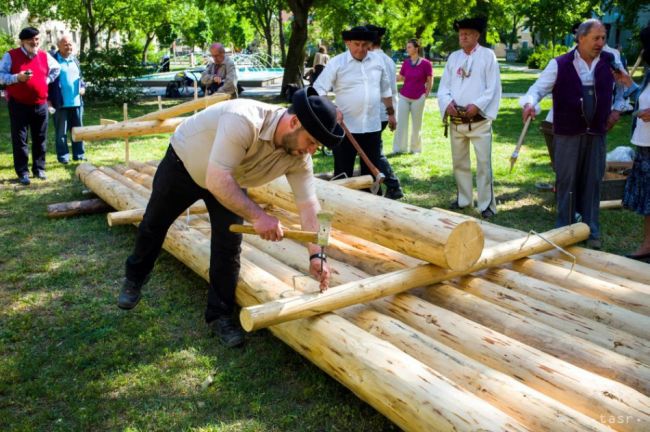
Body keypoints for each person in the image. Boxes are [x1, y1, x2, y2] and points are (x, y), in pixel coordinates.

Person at [117, 87, 344, 348]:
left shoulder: (299, 157)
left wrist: (317, 254)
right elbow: (216, 178)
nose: (312, 151)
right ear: (294, 122)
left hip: (229, 180)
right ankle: (134, 278)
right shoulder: (245, 119)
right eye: (312, 142)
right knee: (154, 224)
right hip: (185, 165)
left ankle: (220, 316)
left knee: (228, 247)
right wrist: (259, 217)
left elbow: (308, 204)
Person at [520, 19, 626, 249]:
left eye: (603, 38)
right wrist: (530, 104)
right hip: (568, 132)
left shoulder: (611, 62)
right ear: (581, 38)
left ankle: (591, 231)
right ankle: (564, 231)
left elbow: (625, 88)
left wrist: (617, 109)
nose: (601, 43)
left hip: (597, 131)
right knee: (567, 181)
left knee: (593, 182)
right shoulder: (560, 63)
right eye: (596, 38)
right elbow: (536, 90)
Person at [313, 26, 401, 198]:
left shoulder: (377, 61)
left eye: (364, 44)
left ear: (370, 44)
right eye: (356, 44)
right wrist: (332, 110)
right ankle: (341, 206)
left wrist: (391, 113)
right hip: (345, 128)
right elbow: (318, 89)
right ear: (348, 43)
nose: (360, 49)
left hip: (372, 126)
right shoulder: (337, 63)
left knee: (371, 172)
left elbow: (385, 90)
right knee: (343, 172)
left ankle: (369, 206)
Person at [437, 17, 501, 219]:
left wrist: (478, 105)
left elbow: (492, 87)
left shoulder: (488, 56)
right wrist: (447, 104)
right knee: (459, 162)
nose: (462, 36)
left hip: (479, 121)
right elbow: (444, 86)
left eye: (467, 33)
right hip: (457, 122)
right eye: (460, 33)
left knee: (484, 164)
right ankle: (464, 199)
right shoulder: (454, 57)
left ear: (477, 35)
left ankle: (486, 204)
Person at [0, 27, 60, 185]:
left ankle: (39, 169)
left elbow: (56, 68)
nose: (35, 43)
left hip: (40, 104)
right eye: (31, 41)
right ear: (22, 42)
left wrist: (45, 81)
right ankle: (23, 172)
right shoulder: (10, 55)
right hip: (18, 104)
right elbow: (1, 76)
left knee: (40, 138)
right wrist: (17, 78)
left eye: (37, 40)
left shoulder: (44, 55)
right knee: (20, 139)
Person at [620, 25, 650, 261]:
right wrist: (628, 84)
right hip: (644, 143)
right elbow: (643, 96)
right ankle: (648, 245)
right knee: (648, 201)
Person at [365, 24, 404, 199]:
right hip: (385, 112)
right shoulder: (388, 59)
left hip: (375, 112)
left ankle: (393, 184)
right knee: (369, 150)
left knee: (373, 152)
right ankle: (371, 186)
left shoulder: (369, 59)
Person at [48, 35, 86, 164]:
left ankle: (79, 154)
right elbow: (48, 82)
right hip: (60, 103)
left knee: (78, 131)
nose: (69, 47)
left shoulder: (75, 59)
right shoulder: (53, 61)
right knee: (61, 133)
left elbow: (81, 78)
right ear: (59, 46)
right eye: (65, 44)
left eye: (70, 44)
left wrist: (82, 87)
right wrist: (49, 101)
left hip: (77, 103)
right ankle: (63, 157)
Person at [393, 38, 433, 154]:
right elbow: (401, 77)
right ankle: (399, 149)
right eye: (407, 47)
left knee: (417, 125)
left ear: (416, 49)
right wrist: (389, 75)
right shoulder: (406, 62)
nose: (407, 49)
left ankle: (415, 149)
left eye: (409, 47)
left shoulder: (426, 63)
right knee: (401, 123)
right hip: (404, 96)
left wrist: (426, 94)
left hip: (418, 97)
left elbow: (430, 80)